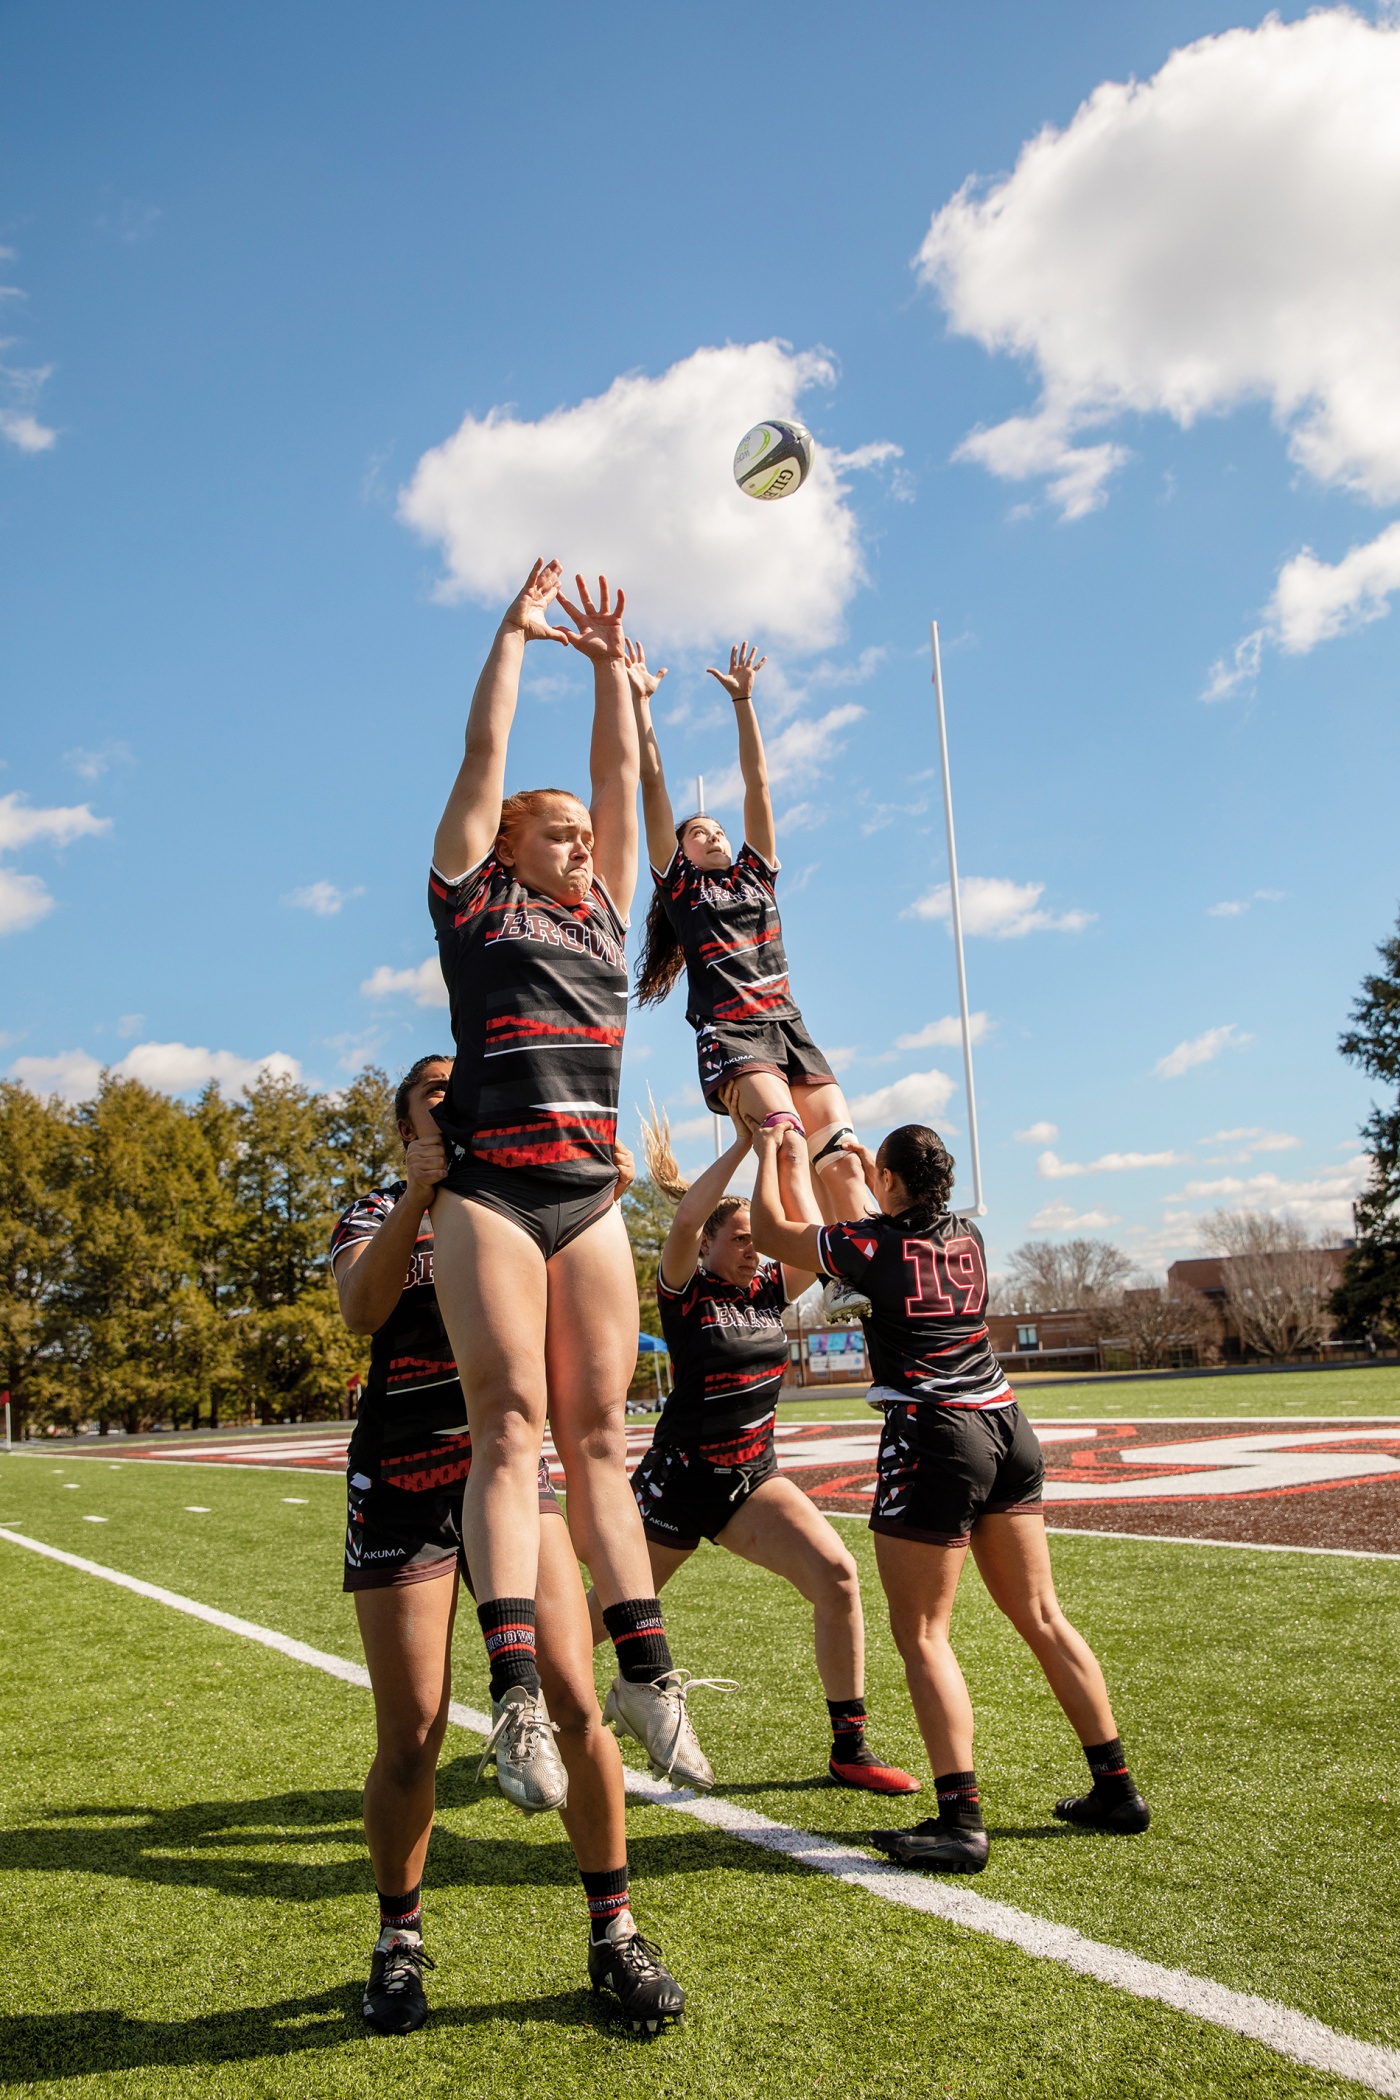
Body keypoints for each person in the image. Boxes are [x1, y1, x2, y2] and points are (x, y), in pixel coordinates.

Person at [426, 561, 713, 1819]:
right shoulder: (473, 896)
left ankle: (647, 1673)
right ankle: (517, 1698)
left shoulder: (601, 918)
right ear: (506, 843)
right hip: (490, 1192)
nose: (584, 843)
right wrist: (515, 637)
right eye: (559, 833)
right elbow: (487, 754)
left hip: (588, 1196)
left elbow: (613, 785)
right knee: (510, 1432)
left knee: (602, 1437)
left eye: (589, 841)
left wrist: (609, 672)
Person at [331, 1054, 684, 2036]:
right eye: (431, 1096)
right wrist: (419, 1192)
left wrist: (597, 1188)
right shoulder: (375, 1207)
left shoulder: (522, 1206)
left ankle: (613, 1932)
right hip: (403, 1489)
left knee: (575, 1701)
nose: (454, 1099)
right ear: (404, 1124)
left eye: (462, 1087)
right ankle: (397, 1942)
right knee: (412, 1737)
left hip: (510, 1483)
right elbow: (360, 1307)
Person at [748, 1119, 1150, 1873]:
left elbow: (773, 1229)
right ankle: (1116, 1787)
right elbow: (901, 1209)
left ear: (890, 1183)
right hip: (1007, 1427)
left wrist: (772, 1151)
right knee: (1042, 1616)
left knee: (925, 1635)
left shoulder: (868, 1246)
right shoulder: (967, 1236)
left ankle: (960, 1822)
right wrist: (874, 1168)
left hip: (937, 1435)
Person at [589, 1109, 919, 1795]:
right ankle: (536, 1684)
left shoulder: (770, 1289)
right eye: (738, 1239)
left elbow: (802, 1236)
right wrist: (746, 1144)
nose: (751, 1250)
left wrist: (789, 1156)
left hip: (751, 1480)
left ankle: (849, 1747)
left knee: (837, 1575)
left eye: (754, 1241)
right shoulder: (687, 1290)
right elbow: (681, 1224)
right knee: (603, 1614)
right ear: (708, 1245)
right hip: (679, 1481)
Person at [625, 637, 874, 1317]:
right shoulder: (681, 890)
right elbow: (652, 785)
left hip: (790, 1027)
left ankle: (876, 1272)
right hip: (733, 1034)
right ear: (677, 853)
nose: (710, 834)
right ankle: (833, 1270)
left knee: (845, 1159)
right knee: (785, 1142)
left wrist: (743, 702)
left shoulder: (757, 874)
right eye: (695, 832)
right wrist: (642, 707)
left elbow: (758, 783)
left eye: (715, 830)